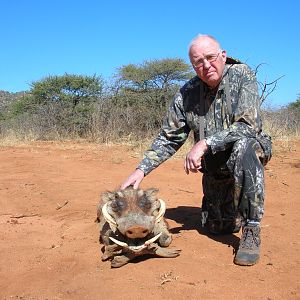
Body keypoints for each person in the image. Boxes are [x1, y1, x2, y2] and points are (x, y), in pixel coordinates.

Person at [120, 34, 272, 266]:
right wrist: (141, 170)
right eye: (198, 62)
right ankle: (232, 209)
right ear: (192, 65)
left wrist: (204, 143)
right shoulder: (187, 93)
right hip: (215, 165)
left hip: (248, 150)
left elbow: (248, 126)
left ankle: (251, 228)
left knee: (244, 146)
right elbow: (169, 137)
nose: (206, 66)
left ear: (223, 56)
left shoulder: (242, 75)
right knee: (216, 227)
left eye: (210, 58)